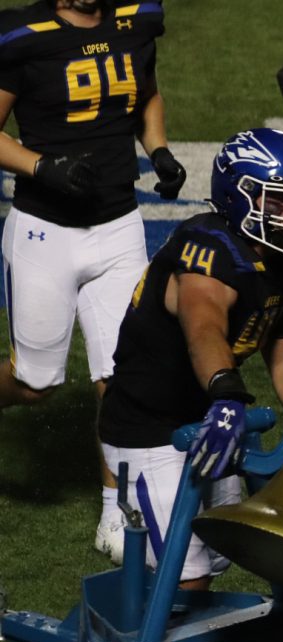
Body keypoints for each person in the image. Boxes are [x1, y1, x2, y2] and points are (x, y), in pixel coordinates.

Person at [98, 128, 283, 591]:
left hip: (208, 418)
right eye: (280, 201)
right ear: (240, 196)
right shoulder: (207, 247)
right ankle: (130, 641)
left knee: (219, 555)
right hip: (150, 428)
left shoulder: (276, 255)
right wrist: (225, 394)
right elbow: (203, 327)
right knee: (187, 577)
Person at [0, 0, 187, 560]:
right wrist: (40, 165)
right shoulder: (23, 35)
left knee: (121, 377)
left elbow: (146, 92)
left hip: (119, 227)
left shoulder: (136, 19)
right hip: (45, 233)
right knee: (36, 384)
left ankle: (116, 512)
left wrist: (159, 150)